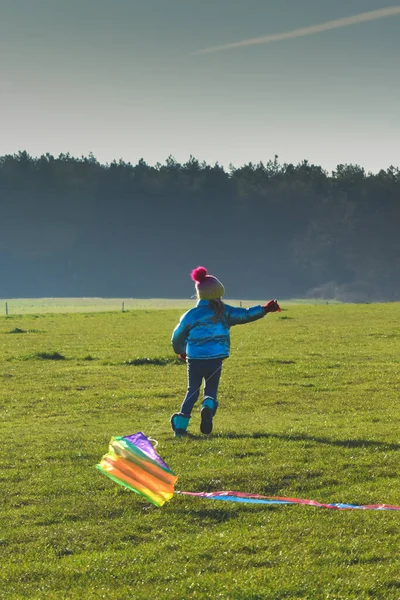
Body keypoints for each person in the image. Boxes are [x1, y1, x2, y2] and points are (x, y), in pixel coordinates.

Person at [170, 266, 280, 437]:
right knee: (211, 388)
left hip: (195, 359)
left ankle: (180, 427)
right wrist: (265, 309)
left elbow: (177, 336)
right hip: (216, 358)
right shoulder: (225, 311)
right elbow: (245, 314)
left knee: (192, 389)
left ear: (199, 294)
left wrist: (181, 351)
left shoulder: (191, 315)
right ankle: (207, 406)